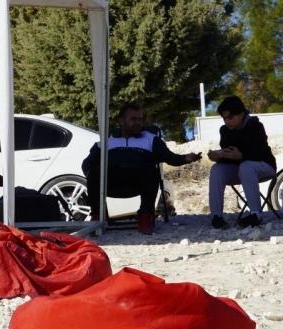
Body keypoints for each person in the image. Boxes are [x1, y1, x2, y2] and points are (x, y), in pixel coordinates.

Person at [82, 103, 201, 234]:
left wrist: (186, 158)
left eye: (140, 119)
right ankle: (98, 218)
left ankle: (145, 216)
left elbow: (169, 158)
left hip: (139, 182)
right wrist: (94, 177)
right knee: (94, 172)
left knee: (152, 169)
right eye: (133, 119)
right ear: (121, 121)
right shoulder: (106, 142)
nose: (138, 123)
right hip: (112, 183)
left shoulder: (151, 139)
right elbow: (86, 164)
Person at [207, 96, 276, 229]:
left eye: (230, 117)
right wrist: (218, 156)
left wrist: (242, 156)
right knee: (216, 169)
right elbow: (229, 154)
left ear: (241, 114)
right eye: (224, 118)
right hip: (240, 169)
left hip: (264, 165)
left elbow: (260, 152)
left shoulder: (256, 126)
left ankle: (256, 214)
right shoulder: (225, 130)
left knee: (246, 166)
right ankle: (216, 216)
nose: (227, 121)